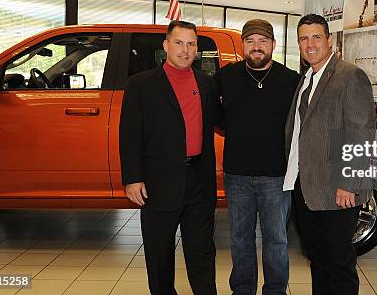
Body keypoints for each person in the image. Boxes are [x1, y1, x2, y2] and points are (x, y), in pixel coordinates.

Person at [119, 20, 219, 295]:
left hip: (199, 181)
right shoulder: (140, 84)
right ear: (166, 46)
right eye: (179, 43)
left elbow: (220, 122)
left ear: (197, 48)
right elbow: (129, 135)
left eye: (191, 44)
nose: (185, 50)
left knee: (202, 253)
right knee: (159, 254)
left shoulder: (206, 84)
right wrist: (132, 178)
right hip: (158, 182)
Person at [283, 14, 375, 295]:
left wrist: (349, 183)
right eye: (303, 38)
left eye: (316, 37)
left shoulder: (350, 75)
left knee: (339, 263)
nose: (310, 44)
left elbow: (361, 133)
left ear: (329, 40)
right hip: (306, 187)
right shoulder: (305, 79)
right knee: (318, 260)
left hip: (338, 190)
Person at [216, 19, 300, 295]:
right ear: (242, 46)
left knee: (276, 239)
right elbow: (217, 119)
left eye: (263, 41)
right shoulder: (225, 77)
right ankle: (242, 289)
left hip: (276, 176)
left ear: (273, 45)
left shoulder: (291, 81)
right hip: (236, 174)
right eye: (251, 41)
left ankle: (275, 290)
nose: (257, 46)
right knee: (240, 239)